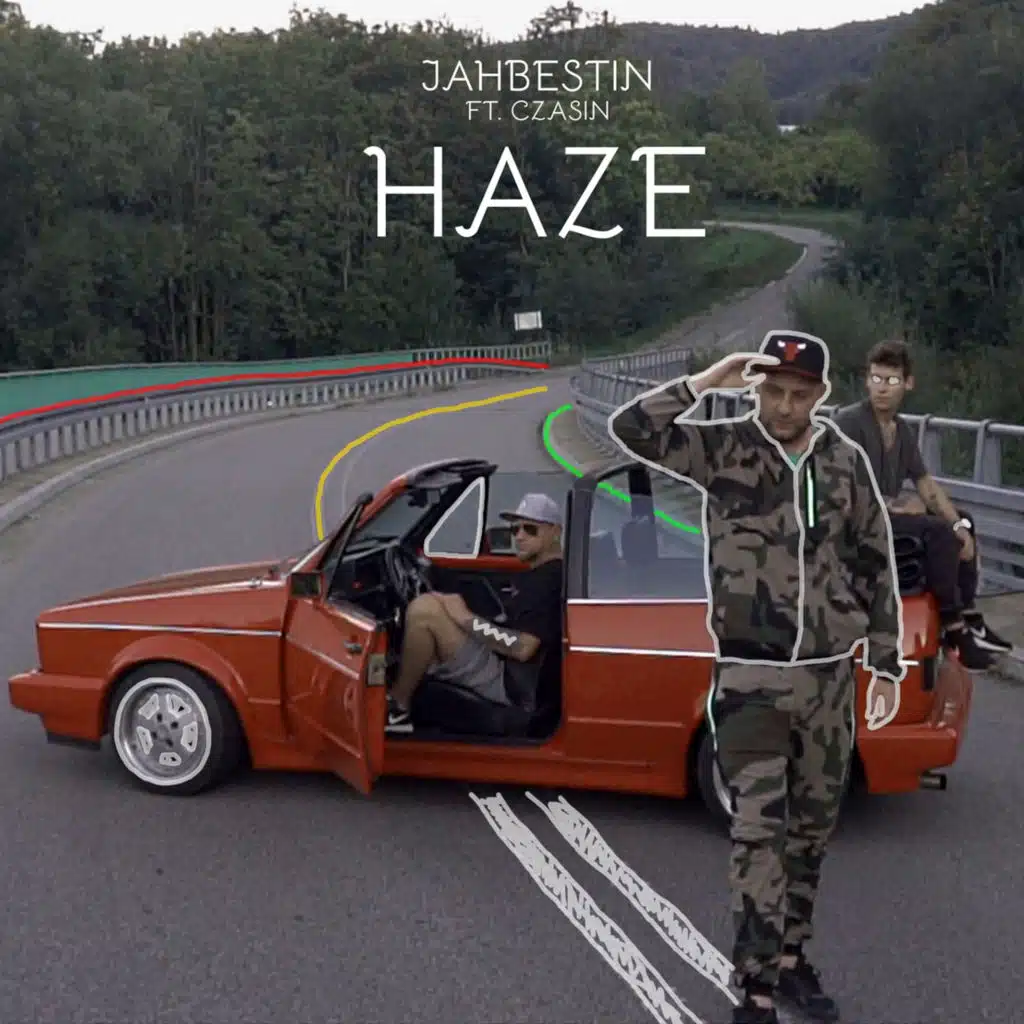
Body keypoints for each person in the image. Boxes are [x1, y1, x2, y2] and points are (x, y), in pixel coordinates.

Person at [608, 330, 906, 1024]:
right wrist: (705, 380)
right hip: (751, 679)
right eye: (773, 391)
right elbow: (633, 431)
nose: (784, 406)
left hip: (828, 681)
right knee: (756, 837)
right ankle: (756, 988)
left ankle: (792, 961)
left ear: (820, 396)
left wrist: (886, 661)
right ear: (756, 389)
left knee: (810, 835)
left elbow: (874, 558)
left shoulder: (844, 460)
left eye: (799, 395)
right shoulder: (725, 448)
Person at [832, 340, 1011, 669]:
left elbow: (926, 486)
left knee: (962, 521)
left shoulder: (902, 430)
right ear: (867, 380)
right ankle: (955, 629)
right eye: (875, 378)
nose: (881, 388)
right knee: (937, 531)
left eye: (891, 380)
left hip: (887, 519)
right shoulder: (849, 422)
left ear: (908, 383)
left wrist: (959, 525)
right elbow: (837, 486)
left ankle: (970, 617)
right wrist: (894, 505)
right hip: (857, 525)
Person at [386, 492, 564, 732]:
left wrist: (467, 619)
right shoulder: (543, 574)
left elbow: (522, 648)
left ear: (555, 532)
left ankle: (398, 707)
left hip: (511, 682)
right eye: (515, 529)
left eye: (530, 529)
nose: (519, 537)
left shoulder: (547, 581)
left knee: (424, 611)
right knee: (436, 606)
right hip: (510, 669)